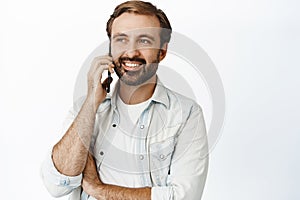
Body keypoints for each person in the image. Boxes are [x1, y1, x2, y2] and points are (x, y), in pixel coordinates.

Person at [41, 1, 209, 199]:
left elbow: (184, 196)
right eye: (121, 40)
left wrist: (98, 189)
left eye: (144, 41)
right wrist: (91, 104)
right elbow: (56, 185)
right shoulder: (85, 110)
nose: (131, 52)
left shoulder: (186, 114)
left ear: (162, 51)